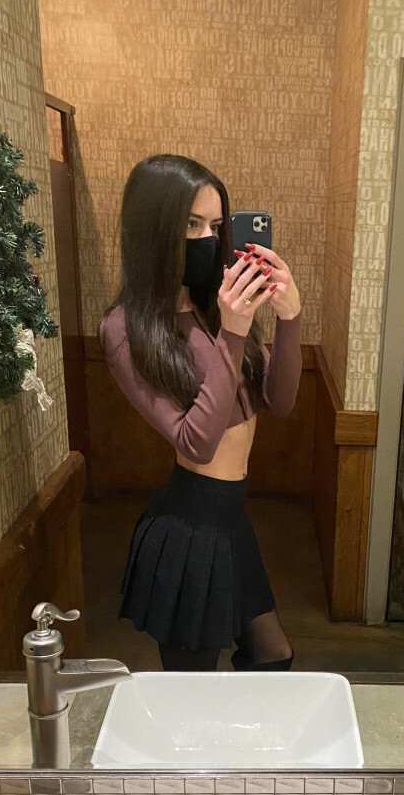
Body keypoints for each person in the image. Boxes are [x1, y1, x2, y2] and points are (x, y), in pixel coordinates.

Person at [97, 155, 302, 672]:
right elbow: (196, 442)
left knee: (272, 655)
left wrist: (290, 317)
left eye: (215, 225)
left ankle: (243, 730)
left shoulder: (218, 303)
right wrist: (233, 331)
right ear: (155, 228)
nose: (207, 239)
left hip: (231, 519)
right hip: (188, 528)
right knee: (192, 686)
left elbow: (281, 401)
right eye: (191, 224)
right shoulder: (125, 328)